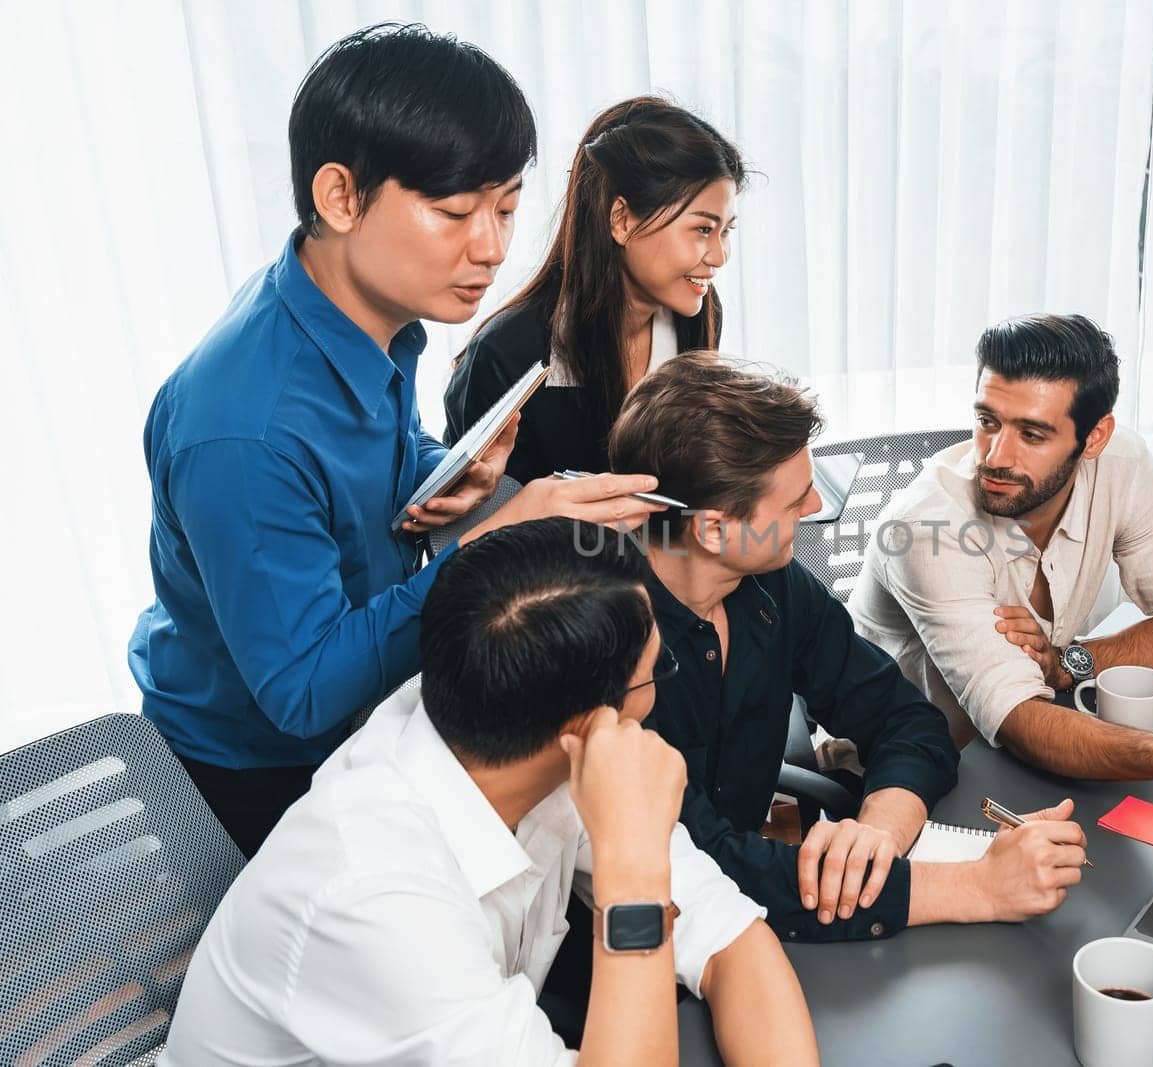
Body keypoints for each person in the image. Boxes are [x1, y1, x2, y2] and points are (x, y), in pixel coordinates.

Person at [128, 24, 663, 857]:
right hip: (254, 770)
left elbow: (355, 469)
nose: (490, 248)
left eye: (507, 209)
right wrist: (489, 545)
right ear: (340, 197)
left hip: (359, 716)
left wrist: (444, 473)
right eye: (455, 212)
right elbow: (302, 691)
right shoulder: (244, 428)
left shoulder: (350, 306)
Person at [161, 519, 819, 1066]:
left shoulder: (504, 722)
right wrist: (635, 873)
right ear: (585, 726)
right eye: (655, 674)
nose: (657, 697)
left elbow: (733, 938)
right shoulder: (373, 894)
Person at [606, 351, 1091, 946]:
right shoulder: (607, 648)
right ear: (712, 529)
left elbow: (907, 719)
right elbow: (701, 866)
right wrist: (978, 888)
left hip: (757, 917)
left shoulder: (773, 584)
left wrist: (878, 834)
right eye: (795, 500)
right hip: (637, 942)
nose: (815, 510)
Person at [849, 314, 1153, 810]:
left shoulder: (1122, 464)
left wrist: (1071, 663)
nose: (994, 455)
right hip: (910, 775)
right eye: (987, 421)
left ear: (1094, 438)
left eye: (1032, 434)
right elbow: (1019, 719)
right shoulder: (927, 531)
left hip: (1025, 749)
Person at [444, 95, 744, 484]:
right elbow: (481, 528)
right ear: (621, 220)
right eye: (703, 229)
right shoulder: (507, 354)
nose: (719, 256)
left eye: (727, 231)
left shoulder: (699, 313)